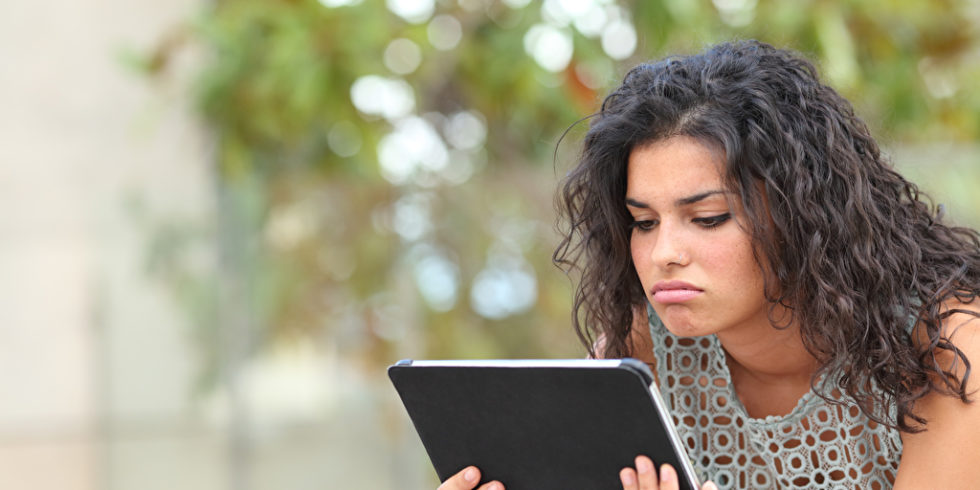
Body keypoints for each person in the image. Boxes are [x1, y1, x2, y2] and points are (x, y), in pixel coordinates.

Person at [438, 40, 980, 490]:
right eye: (643, 223)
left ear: (804, 215)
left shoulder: (951, 346)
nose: (664, 253)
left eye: (709, 217)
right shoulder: (641, 352)